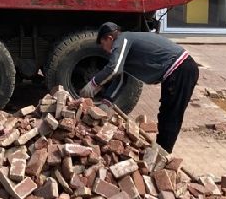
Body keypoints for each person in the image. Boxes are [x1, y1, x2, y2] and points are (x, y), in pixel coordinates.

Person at [80, 22, 199, 153]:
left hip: (181, 68)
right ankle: (159, 151)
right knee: (166, 113)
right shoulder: (125, 46)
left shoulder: (122, 39)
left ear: (109, 38)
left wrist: (93, 83)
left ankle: (163, 154)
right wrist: (106, 103)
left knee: (171, 114)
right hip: (177, 72)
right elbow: (120, 79)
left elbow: (114, 69)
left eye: (103, 44)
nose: (104, 49)